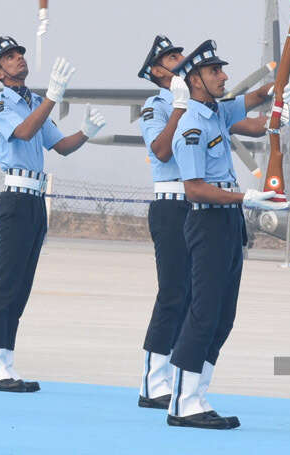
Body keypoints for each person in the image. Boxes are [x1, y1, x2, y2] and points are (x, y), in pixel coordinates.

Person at [166, 39, 290, 430]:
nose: (224, 77)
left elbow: (254, 101)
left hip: (227, 222)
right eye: (215, 71)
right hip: (207, 219)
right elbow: (194, 188)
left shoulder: (216, 113)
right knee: (203, 312)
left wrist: (281, 87)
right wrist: (248, 196)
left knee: (223, 316)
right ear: (195, 79)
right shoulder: (190, 125)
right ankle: (182, 401)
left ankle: (198, 395)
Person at [0, 36, 105, 392]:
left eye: (19, 53)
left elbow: (60, 146)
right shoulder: (0, 103)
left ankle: (5, 362)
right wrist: (53, 96)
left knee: (21, 285)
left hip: (35, 198)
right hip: (16, 196)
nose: (18, 58)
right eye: (9, 56)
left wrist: (86, 133)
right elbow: (23, 132)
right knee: (6, 283)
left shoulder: (34, 102)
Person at [136, 35, 190, 409]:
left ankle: (178, 377)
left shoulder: (200, 105)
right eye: (172, 57)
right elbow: (161, 149)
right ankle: (154, 382)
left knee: (193, 298)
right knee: (172, 294)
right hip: (171, 206)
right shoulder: (155, 107)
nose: (181, 59)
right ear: (157, 70)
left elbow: (244, 109)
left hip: (199, 206)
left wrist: (277, 90)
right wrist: (179, 108)